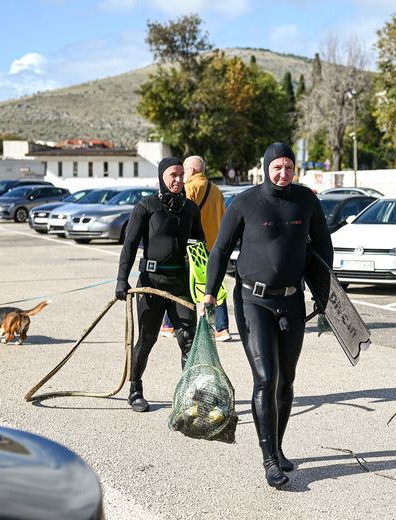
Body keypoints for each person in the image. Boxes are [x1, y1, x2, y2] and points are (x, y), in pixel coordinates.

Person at [203, 143, 332, 489]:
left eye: (289, 167)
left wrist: (325, 295)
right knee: (266, 378)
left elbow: (323, 247)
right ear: (265, 168)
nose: (283, 173)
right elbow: (219, 251)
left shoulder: (305, 200)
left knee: (287, 381)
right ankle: (270, 460)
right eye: (277, 167)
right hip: (253, 302)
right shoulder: (245, 202)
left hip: (292, 301)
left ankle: (278, 445)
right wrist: (209, 293)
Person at [115, 157, 204, 413]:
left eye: (180, 174)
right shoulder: (146, 206)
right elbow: (130, 245)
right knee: (147, 338)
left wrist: (207, 286)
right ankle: (135, 390)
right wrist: (122, 279)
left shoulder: (190, 209)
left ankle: (189, 395)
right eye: (172, 175)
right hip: (150, 284)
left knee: (188, 339)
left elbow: (200, 247)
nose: (177, 179)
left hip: (180, 285)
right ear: (162, 177)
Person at [183, 155, 231, 341]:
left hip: (196, 246)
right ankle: (222, 328)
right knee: (216, 285)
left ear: (192, 170)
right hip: (215, 245)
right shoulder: (216, 190)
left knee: (187, 284)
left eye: (184, 170)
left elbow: (184, 218)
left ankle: (172, 324)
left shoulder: (190, 188)